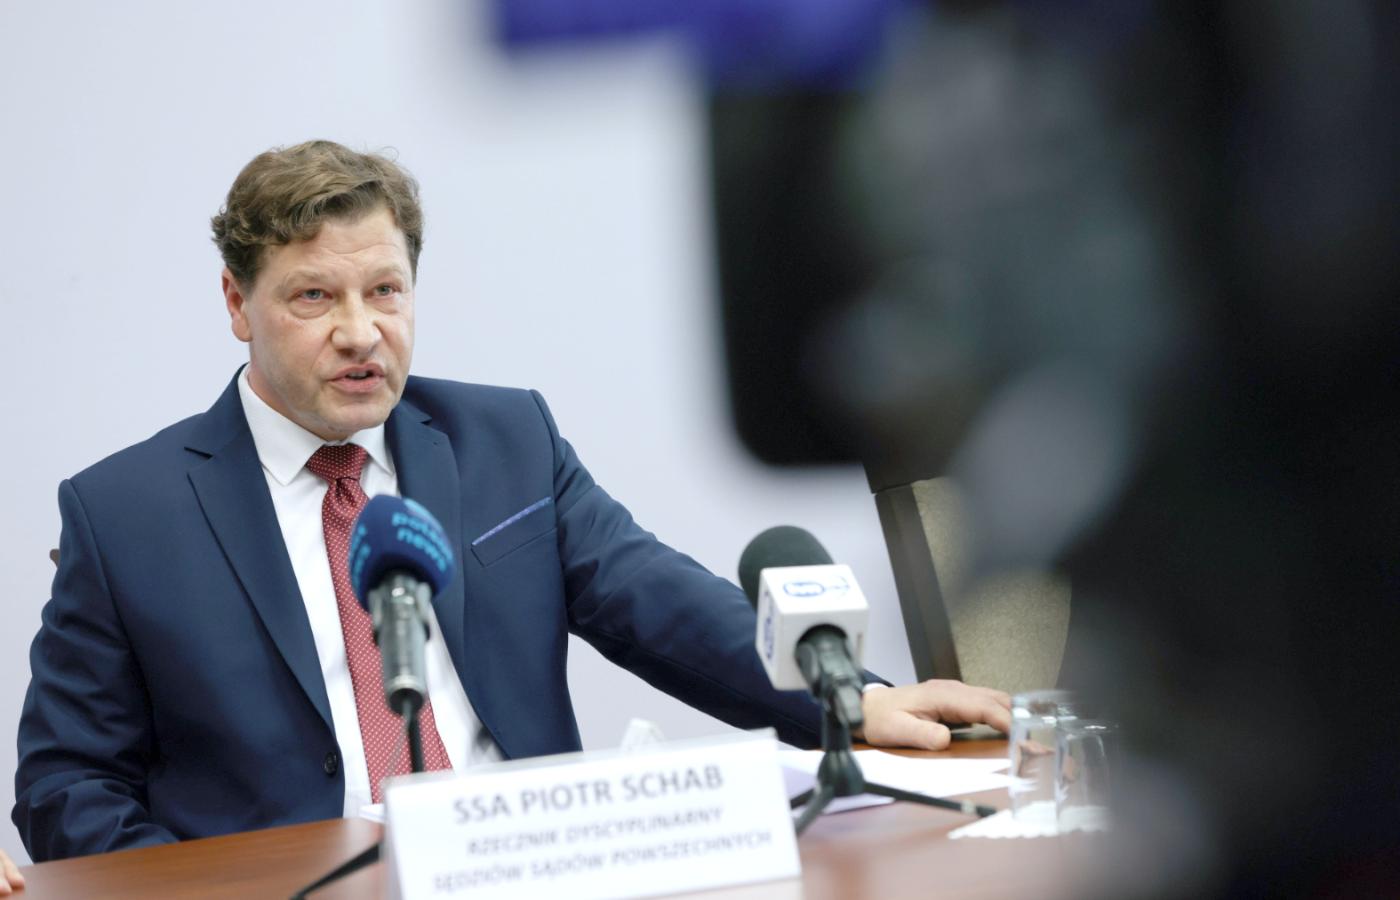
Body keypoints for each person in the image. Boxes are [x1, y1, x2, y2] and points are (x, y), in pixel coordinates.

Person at [13, 140, 1011, 862]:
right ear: (237, 303)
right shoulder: (126, 512)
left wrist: (850, 699)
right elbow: (67, 784)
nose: (360, 332)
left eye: (385, 291)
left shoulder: (504, 440)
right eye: (314, 297)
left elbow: (656, 600)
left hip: (521, 869)